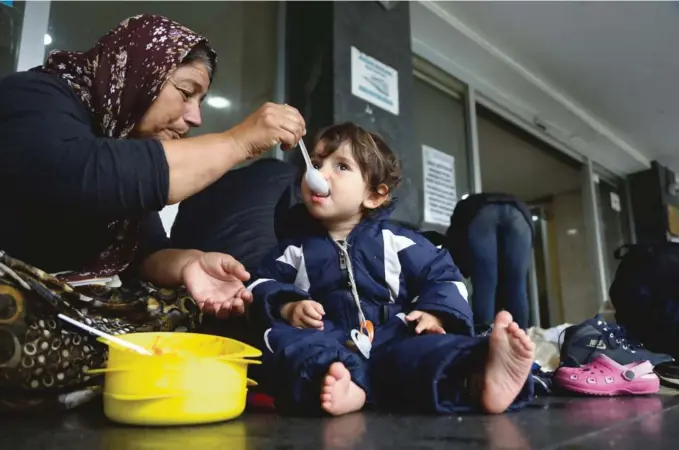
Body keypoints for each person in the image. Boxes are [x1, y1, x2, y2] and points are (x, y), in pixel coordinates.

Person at [0, 14, 306, 412]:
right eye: (186, 92)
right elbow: (81, 173)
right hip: (21, 288)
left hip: (79, 309)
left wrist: (189, 265)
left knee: (189, 310)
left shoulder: (122, 137)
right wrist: (237, 142)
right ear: (141, 72)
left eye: (201, 101)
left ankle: (97, 373)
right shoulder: (32, 96)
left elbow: (145, 255)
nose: (195, 117)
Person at [247, 123, 535, 416]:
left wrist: (435, 313)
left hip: (392, 336)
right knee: (286, 342)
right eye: (317, 163)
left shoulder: (399, 242)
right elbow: (260, 284)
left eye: (342, 166)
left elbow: (443, 275)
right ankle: (344, 382)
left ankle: (480, 377)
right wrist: (288, 306)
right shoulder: (293, 249)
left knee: (426, 350)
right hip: (328, 338)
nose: (317, 175)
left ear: (374, 195)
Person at [445, 194, 534, 329]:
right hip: (519, 214)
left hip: (481, 214)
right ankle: (520, 341)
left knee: (485, 286)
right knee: (517, 286)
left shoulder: (465, 208)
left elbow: (453, 242)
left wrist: (463, 266)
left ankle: (483, 340)